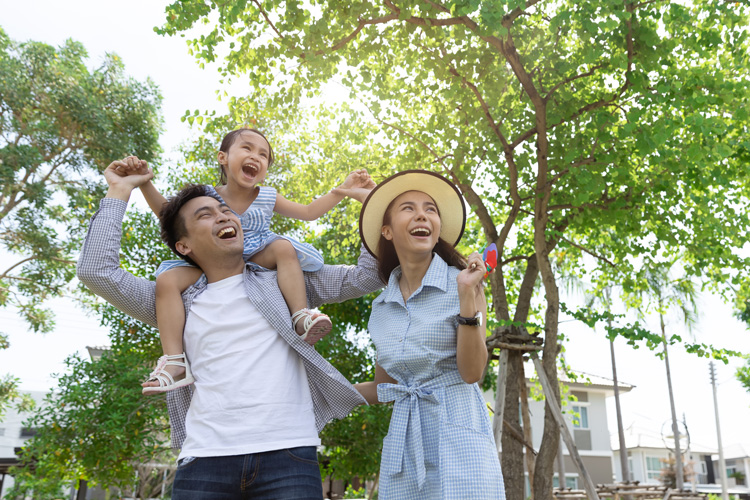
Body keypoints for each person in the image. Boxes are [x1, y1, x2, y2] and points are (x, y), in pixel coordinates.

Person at [76, 160, 383, 499]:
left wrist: (373, 207)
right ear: (184, 246)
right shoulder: (175, 301)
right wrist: (119, 191)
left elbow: (366, 277)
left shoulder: (284, 281)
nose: (223, 216)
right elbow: (96, 272)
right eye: (204, 215)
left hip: (290, 456)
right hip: (205, 462)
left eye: (223, 210)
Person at [117, 128, 374, 394]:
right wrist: (145, 183)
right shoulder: (205, 195)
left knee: (284, 248)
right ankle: (174, 361)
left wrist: (343, 190)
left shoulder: (266, 196)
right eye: (248, 149)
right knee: (166, 280)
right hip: (211, 265)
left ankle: (300, 316)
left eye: (264, 155)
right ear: (222, 158)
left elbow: (309, 213)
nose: (256, 157)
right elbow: (167, 213)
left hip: (256, 258)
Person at [354, 170, 505, 499]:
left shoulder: (464, 283)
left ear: (436, 228)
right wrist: (317, 389)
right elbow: (385, 387)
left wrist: (467, 298)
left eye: (430, 209)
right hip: (405, 441)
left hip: (459, 433)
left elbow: (472, 372)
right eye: (408, 208)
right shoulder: (381, 307)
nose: (422, 214)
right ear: (388, 230)